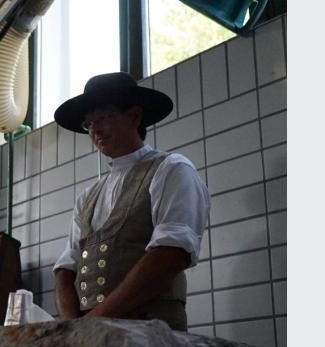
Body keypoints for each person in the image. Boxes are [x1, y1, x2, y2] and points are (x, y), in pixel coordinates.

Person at [52, 72, 211, 331]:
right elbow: (65, 269)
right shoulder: (87, 196)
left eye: (103, 117)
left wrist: (92, 321)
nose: (94, 130)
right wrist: (74, 330)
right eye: (88, 123)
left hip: (152, 332)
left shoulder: (171, 169)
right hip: (91, 337)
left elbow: (171, 254)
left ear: (135, 116)